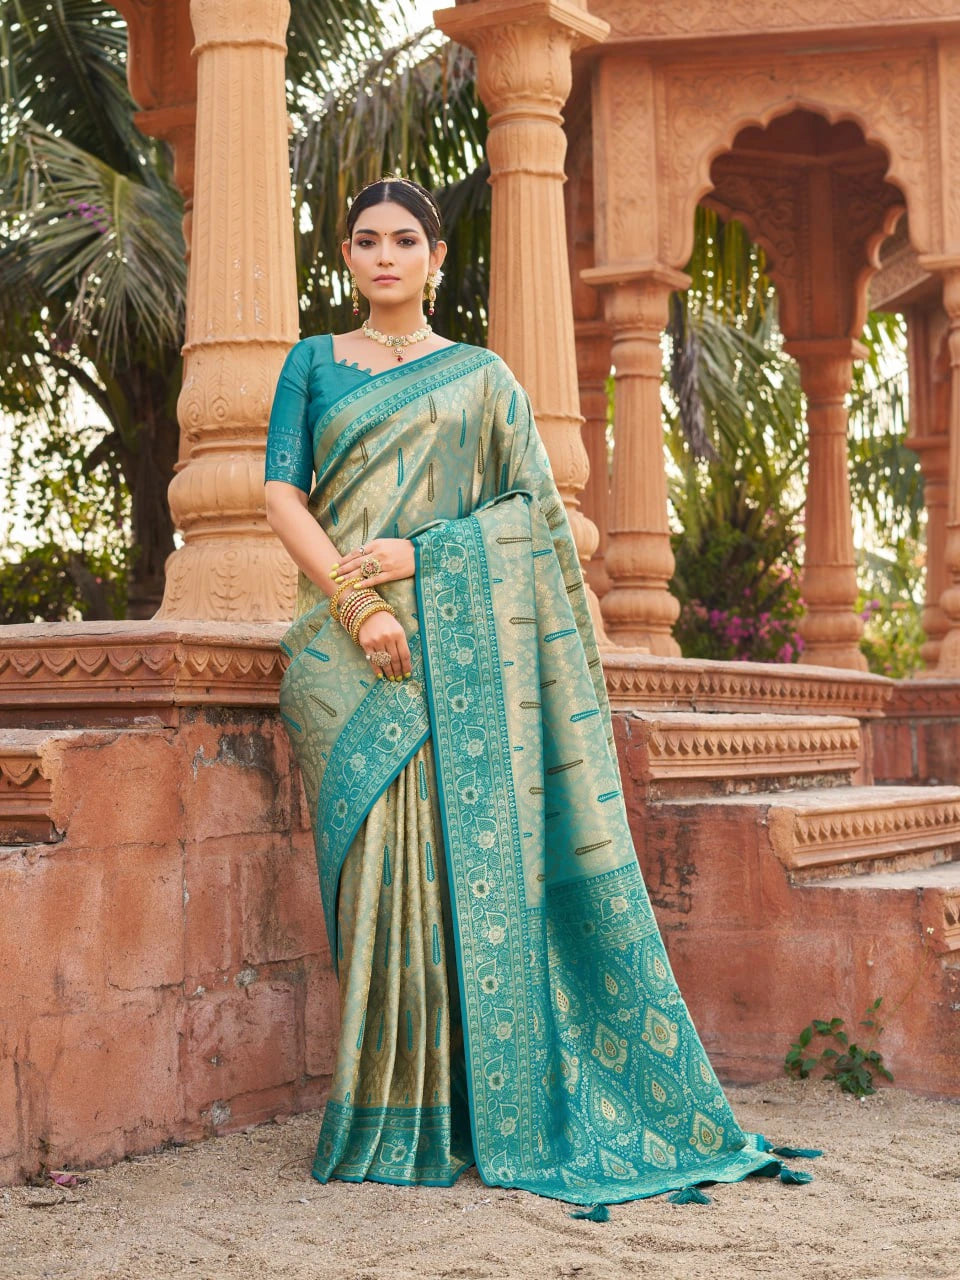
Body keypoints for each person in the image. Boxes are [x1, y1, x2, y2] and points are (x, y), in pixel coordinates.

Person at [263, 177, 815, 1208]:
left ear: (434, 259)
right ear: (346, 258)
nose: (385, 256)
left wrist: (422, 560)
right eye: (366, 241)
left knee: (451, 873)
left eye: (405, 241)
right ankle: (389, 1109)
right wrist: (356, 601)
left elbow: (530, 515)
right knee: (380, 871)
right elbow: (278, 494)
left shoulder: (481, 379)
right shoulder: (311, 364)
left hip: (452, 642)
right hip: (344, 646)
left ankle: (465, 1110)